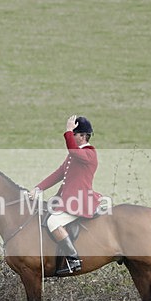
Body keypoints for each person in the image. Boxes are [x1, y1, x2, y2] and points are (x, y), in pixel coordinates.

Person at [30, 115, 101, 276]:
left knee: (53, 221)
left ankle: (74, 259)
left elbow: (72, 150)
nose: (72, 137)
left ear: (83, 136)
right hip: (66, 200)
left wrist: (68, 130)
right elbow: (59, 174)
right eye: (72, 134)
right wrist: (38, 188)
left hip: (79, 202)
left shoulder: (89, 154)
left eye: (74, 134)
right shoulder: (74, 155)